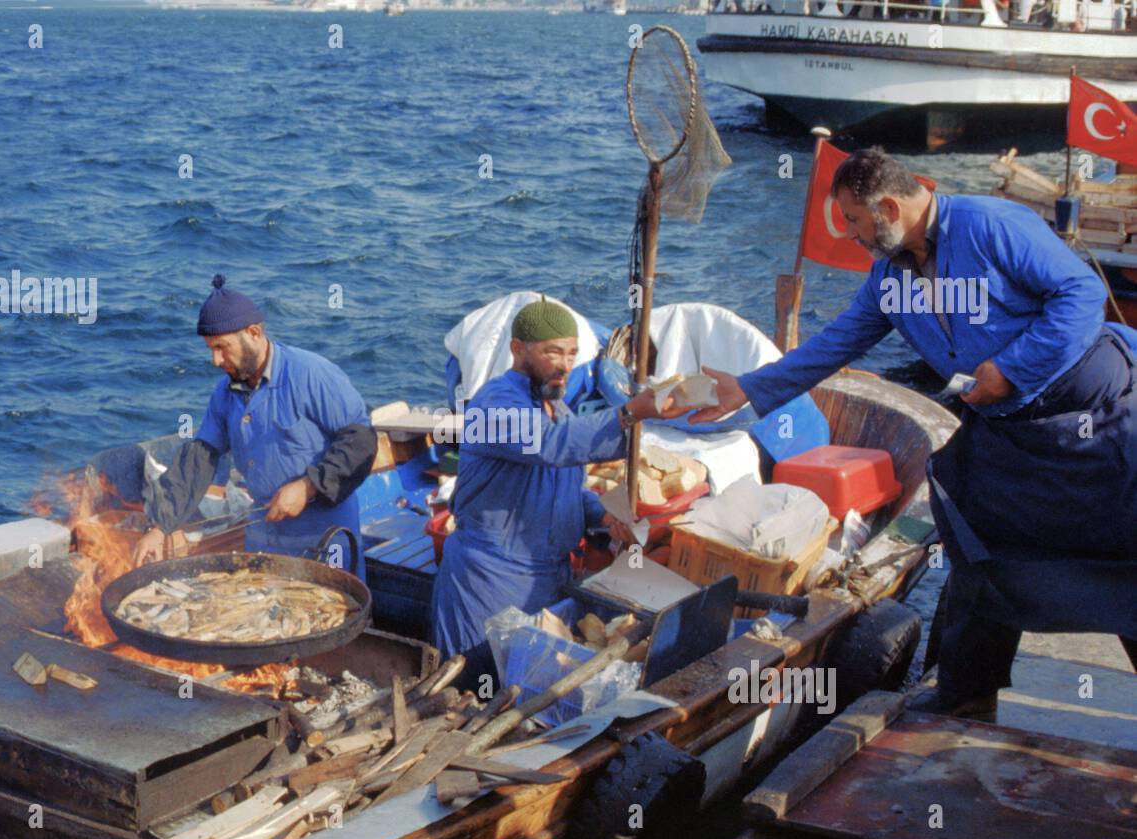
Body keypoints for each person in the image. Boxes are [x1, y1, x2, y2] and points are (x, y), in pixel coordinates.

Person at [687, 147, 1137, 718]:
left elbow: (1082, 294)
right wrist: (747, 389)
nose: (847, 233)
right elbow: (836, 344)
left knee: (1126, 555)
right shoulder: (889, 277)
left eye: (852, 219)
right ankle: (968, 701)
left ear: (890, 206)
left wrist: (1014, 368)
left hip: (1094, 419)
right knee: (975, 549)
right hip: (1008, 431)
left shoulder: (992, 225)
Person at [430, 298, 676, 689]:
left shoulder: (556, 408)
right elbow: (550, 445)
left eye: (572, 354)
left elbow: (565, 488)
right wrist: (628, 413)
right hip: (489, 582)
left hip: (546, 581)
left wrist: (601, 515)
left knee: (529, 696)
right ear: (517, 349)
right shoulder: (495, 405)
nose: (564, 365)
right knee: (476, 691)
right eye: (553, 352)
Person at [133, 275, 376, 575]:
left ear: (254, 333)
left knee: (332, 615)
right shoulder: (224, 393)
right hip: (265, 536)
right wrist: (159, 526)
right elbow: (199, 459)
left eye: (222, 347)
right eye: (210, 349)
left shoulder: (313, 374)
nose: (215, 360)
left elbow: (361, 443)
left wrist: (308, 486)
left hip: (324, 533)